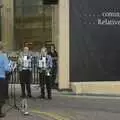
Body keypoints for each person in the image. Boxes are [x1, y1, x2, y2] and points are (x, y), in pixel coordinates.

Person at [0, 42, 10, 118]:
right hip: (1, 77)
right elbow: (7, 69)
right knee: (1, 96)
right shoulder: (4, 56)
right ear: (2, 48)